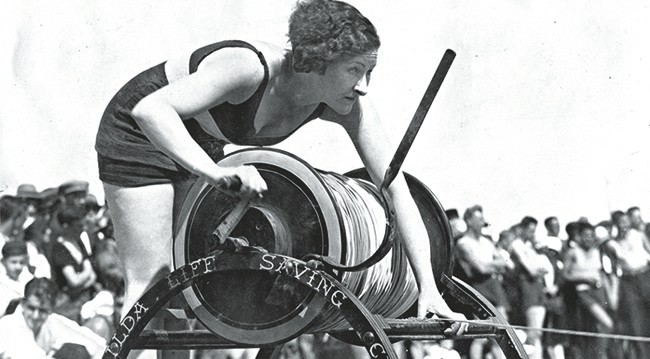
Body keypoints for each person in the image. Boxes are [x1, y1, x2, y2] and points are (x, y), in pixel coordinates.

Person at [94, 0, 466, 357]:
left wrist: (428, 288)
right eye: (354, 70)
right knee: (152, 285)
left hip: (195, 143)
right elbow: (151, 110)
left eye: (369, 72)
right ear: (317, 60)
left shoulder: (345, 103)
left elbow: (395, 186)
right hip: (139, 131)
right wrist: (215, 173)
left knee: (181, 294)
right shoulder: (249, 68)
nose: (364, 85)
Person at [0, 277, 105, 359]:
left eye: (43, 311)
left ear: (51, 309)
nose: (36, 316)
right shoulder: (7, 326)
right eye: (31, 308)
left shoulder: (51, 322)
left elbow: (96, 344)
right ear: (23, 303)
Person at [455, 205, 509, 359]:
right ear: (469, 221)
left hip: (493, 287)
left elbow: (503, 262)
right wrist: (492, 265)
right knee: (481, 333)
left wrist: (488, 265)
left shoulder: (486, 242)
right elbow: (479, 268)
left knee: (502, 330)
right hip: (477, 287)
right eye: (479, 220)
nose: (482, 223)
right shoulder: (464, 243)